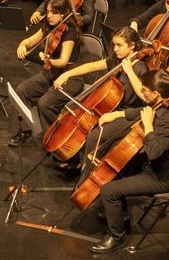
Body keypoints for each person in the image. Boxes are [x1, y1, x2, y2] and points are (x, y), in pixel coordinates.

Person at [86, 69, 169, 254]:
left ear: (155, 94)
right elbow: (142, 111)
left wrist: (147, 125)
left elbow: (154, 152)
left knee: (108, 191)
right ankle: (120, 215)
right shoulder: (157, 106)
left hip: (161, 176)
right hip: (150, 166)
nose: (142, 92)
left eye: (144, 90)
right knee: (115, 172)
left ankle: (117, 238)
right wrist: (116, 115)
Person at [56, 27, 151, 175]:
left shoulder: (140, 67)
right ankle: (77, 161)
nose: (115, 49)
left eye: (119, 45)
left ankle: (87, 174)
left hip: (126, 114)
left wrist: (130, 71)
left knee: (94, 136)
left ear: (132, 46)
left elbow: (145, 96)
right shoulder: (116, 59)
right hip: (110, 107)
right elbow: (92, 66)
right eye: (114, 44)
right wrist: (68, 74)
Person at [10, 0, 82, 147]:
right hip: (50, 73)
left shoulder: (70, 33)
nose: (49, 16)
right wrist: (22, 45)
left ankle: (54, 139)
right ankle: (23, 131)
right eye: (48, 11)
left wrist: (48, 60)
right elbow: (29, 41)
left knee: (45, 103)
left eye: (53, 12)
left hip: (69, 77)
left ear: (63, 13)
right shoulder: (49, 27)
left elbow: (63, 61)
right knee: (21, 90)